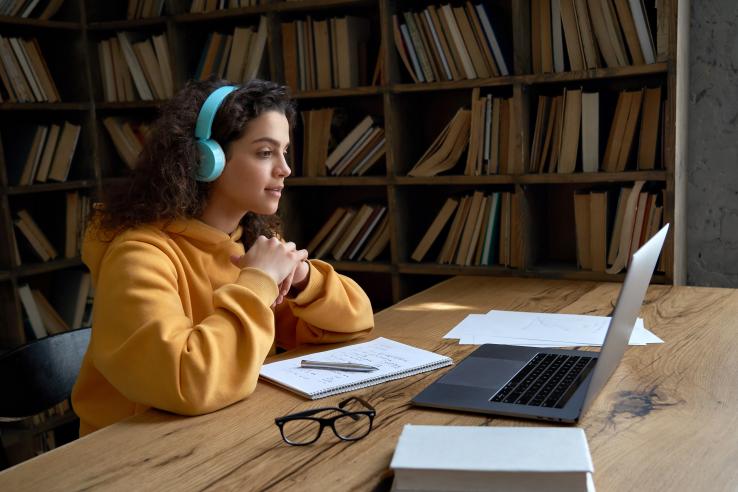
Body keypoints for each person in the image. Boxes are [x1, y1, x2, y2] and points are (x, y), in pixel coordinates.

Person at [71, 79, 374, 436]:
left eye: (285, 152)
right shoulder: (138, 255)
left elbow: (356, 320)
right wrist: (259, 282)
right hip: (135, 456)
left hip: (223, 429)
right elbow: (189, 381)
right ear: (205, 160)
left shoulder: (251, 241)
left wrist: (304, 278)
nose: (285, 169)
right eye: (265, 152)